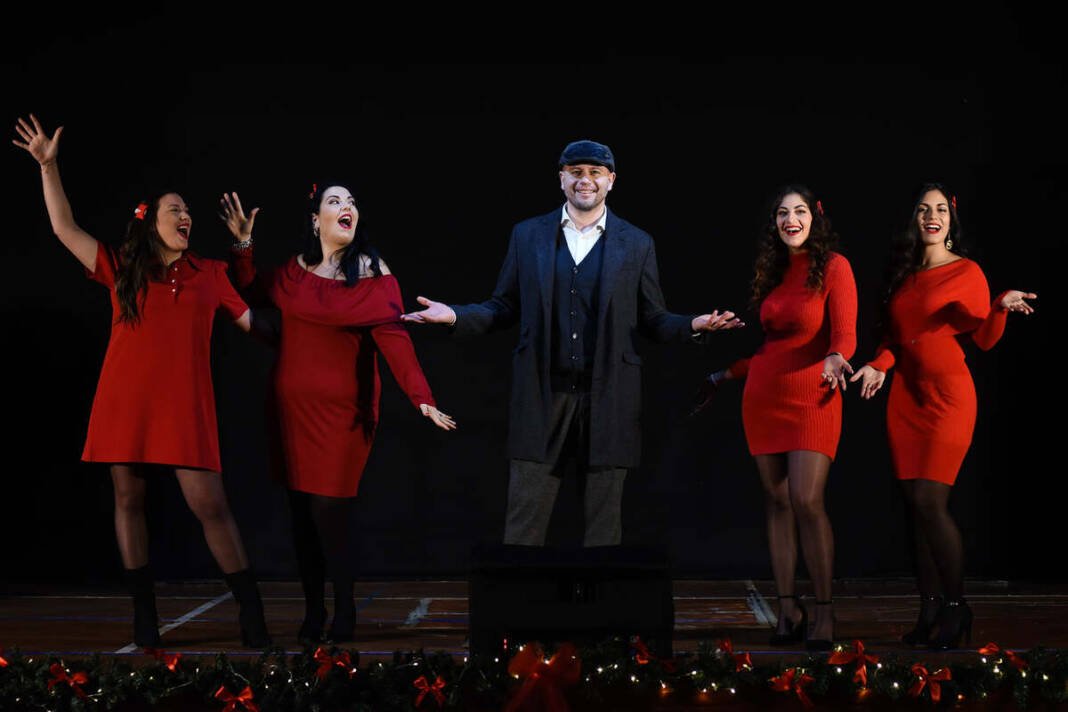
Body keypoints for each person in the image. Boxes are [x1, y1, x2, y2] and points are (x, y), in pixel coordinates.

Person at [401, 140, 741, 547]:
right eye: (576, 172)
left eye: (595, 173)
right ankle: (520, 589)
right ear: (561, 179)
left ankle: (601, 591)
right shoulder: (528, 235)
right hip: (543, 391)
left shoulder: (636, 243)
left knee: (603, 525)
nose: (585, 180)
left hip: (609, 394)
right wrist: (454, 315)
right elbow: (503, 307)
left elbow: (652, 319)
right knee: (525, 517)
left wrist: (694, 325)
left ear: (611, 180)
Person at [12, 114, 271, 649]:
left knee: (210, 507)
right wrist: (48, 167)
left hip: (184, 407)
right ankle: (144, 613)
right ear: (150, 221)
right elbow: (64, 229)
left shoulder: (210, 275)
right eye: (175, 209)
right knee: (128, 499)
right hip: (125, 400)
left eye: (188, 211)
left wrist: (317, 327)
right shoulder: (123, 267)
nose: (186, 216)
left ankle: (251, 612)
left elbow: (255, 323)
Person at [221, 185, 455, 644]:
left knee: (331, 514)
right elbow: (250, 290)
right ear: (316, 220)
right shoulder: (294, 270)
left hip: (344, 416)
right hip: (290, 411)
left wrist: (421, 396)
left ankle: (344, 608)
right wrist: (242, 244)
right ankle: (314, 611)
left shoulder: (372, 272)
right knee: (300, 516)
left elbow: (394, 339)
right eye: (335, 201)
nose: (346, 207)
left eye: (351, 202)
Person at [850, 183, 1036, 649]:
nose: (932, 216)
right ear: (914, 218)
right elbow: (895, 340)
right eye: (923, 209)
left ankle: (957, 607)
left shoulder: (966, 271)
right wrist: (878, 365)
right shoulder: (905, 274)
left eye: (940, 210)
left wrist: (999, 306)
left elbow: (984, 338)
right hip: (906, 400)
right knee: (915, 511)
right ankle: (929, 609)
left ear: (951, 220)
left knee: (930, 502)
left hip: (948, 399)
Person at [699, 186, 856, 650]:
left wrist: (836, 357)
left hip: (815, 395)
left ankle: (824, 612)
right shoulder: (773, 271)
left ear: (814, 217)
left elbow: (845, 334)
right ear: (775, 223)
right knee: (777, 502)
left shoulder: (835, 267)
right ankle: (788, 609)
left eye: (799, 211)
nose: (791, 220)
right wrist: (726, 373)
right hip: (764, 397)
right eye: (783, 213)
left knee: (806, 499)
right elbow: (773, 349)